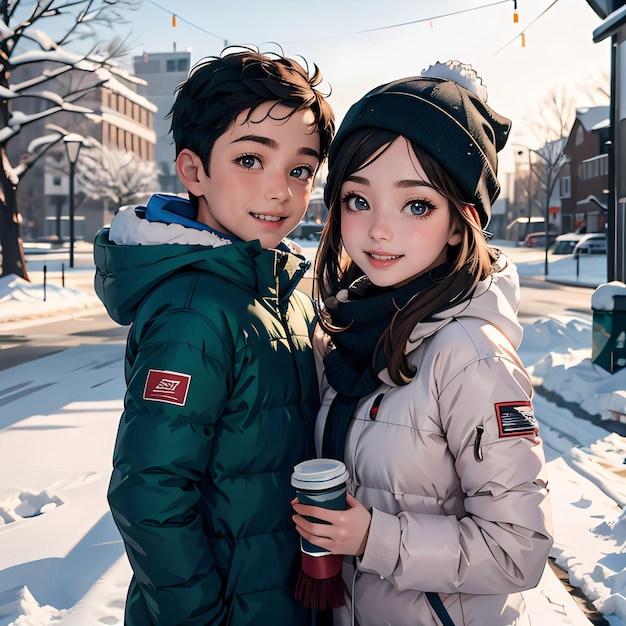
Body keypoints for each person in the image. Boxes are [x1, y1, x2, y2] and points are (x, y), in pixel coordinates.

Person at [292, 60, 553, 625]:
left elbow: (519, 550)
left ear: (461, 222)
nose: (379, 229)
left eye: (416, 204)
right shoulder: (349, 331)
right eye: (358, 200)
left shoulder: (470, 356)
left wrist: (374, 537)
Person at [94, 47, 335, 625]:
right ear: (194, 169)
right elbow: (148, 494)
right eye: (252, 160)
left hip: (279, 595)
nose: (281, 190)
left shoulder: (281, 294)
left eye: (300, 169)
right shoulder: (193, 313)